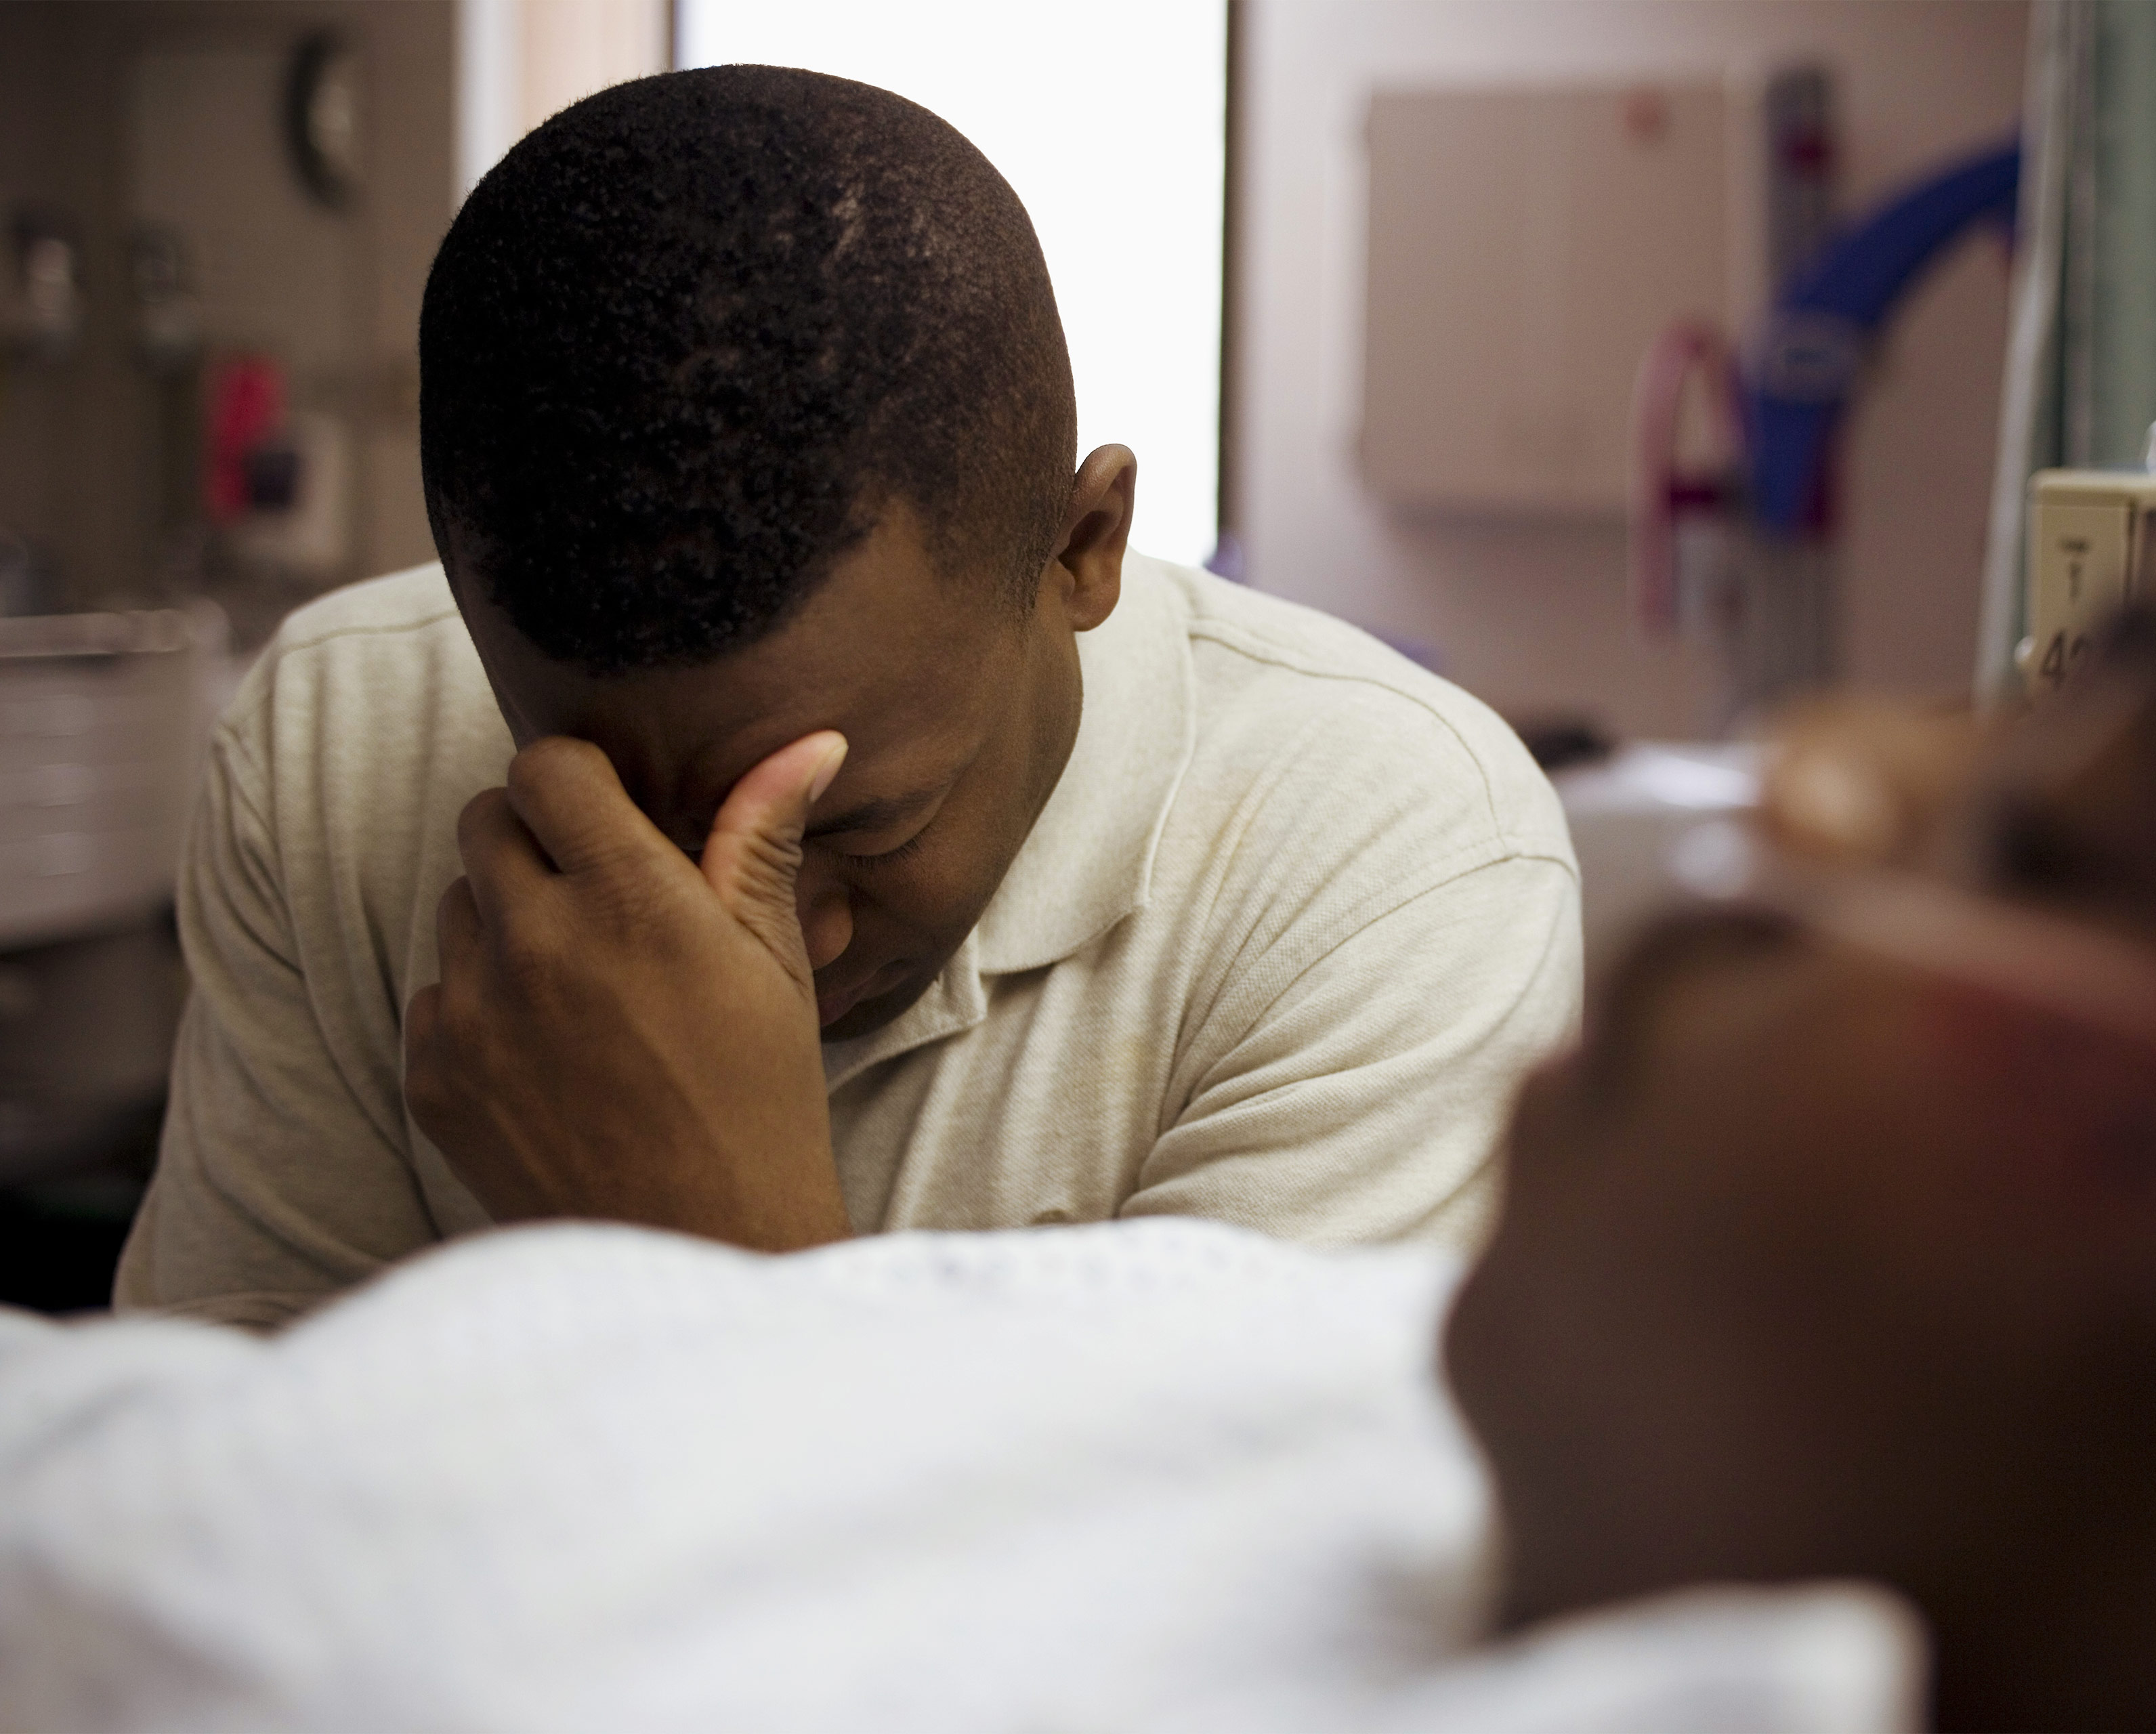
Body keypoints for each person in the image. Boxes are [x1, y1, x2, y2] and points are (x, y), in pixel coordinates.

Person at [16, 301, 2156, 1731]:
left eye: (2062, 842)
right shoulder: (1289, 1357)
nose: (1818, 773)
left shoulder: (1385, 839)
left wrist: (711, 1266)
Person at [113, 68, 1580, 1328]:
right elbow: (218, 1537)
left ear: (1080, 551)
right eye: (622, 816)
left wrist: (707, 1237)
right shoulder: (334, 736)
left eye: (862, 822)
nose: (768, 942)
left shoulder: (1398, 862)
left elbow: (1209, 1632)